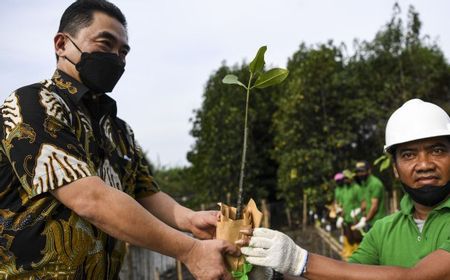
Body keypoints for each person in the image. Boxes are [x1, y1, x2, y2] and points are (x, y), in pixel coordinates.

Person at [0, 1, 238, 279]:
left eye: (123, 51)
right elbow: (89, 198)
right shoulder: (32, 105)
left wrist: (189, 219)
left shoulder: (119, 129)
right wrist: (189, 250)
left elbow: (145, 192)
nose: (117, 58)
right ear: (62, 44)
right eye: (105, 43)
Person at [240, 99, 450, 279]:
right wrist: (272, 275)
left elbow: (418, 277)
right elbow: (344, 275)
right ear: (395, 168)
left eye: (437, 150)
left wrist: (300, 261)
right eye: (408, 155)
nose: (424, 165)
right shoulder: (383, 231)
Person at [351, 160, 387, 231]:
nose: (360, 174)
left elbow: (374, 207)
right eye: (358, 172)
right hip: (369, 221)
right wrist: (359, 210)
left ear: (369, 171)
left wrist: (365, 221)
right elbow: (365, 203)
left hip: (377, 222)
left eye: (362, 171)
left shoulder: (375, 184)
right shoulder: (364, 184)